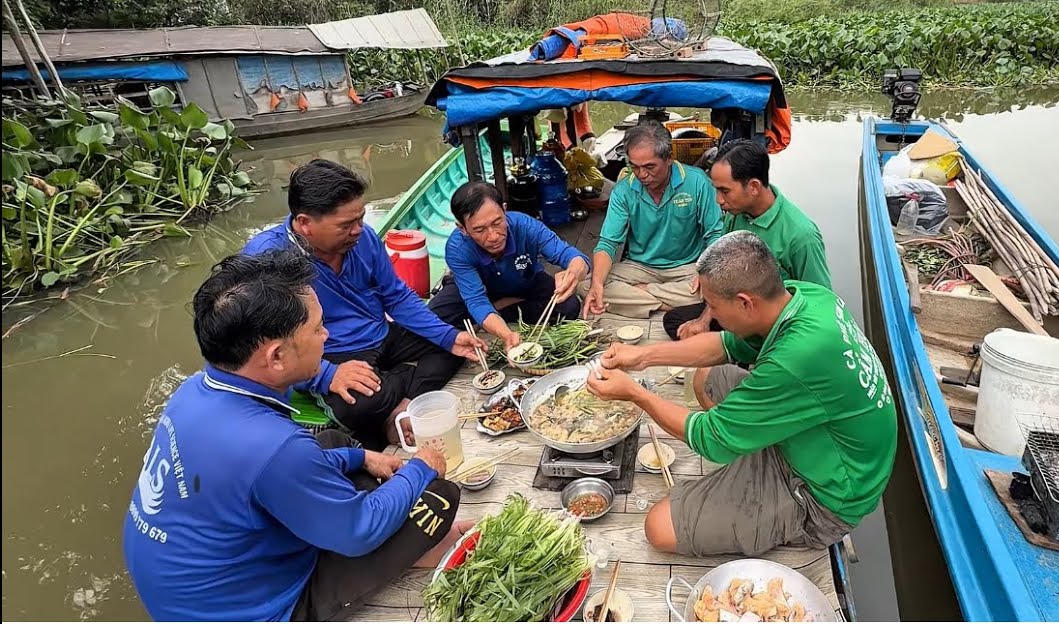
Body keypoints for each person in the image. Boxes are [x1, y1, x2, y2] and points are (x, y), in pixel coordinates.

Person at [123, 249, 471, 622]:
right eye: (317, 328)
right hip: (250, 609)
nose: (327, 335)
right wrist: (420, 467)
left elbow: (272, 466)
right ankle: (420, 550)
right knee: (436, 495)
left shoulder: (194, 390)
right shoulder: (273, 446)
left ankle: (380, 517)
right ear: (275, 356)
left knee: (335, 445)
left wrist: (363, 456)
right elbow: (359, 530)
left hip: (190, 585)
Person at [585, 231, 897, 557]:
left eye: (714, 306)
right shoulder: (806, 297)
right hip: (810, 438)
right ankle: (746, 451)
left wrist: (637, 394)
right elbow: (723, 346)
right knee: (710, 378)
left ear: (746, 302)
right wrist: (643, 357)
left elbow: (710, 438)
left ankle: (766, 492)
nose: (711, 315)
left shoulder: (794, 360)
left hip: (824, 495)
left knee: (659, 528)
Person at [244, 160, 486, 449]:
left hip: (379, 333)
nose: (359, 230)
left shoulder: (364, 238)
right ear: (305, 223)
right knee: (358, 407)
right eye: (346, 225)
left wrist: (447, 336)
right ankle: (396, 390)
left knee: (457, 344)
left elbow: (395, 296)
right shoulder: (265, 260)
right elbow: (266, 347)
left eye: (360, 218)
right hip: (325, 351)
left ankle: (398, 405)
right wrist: (327, 374)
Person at [664, 140, 831, 340]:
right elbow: (721, 273)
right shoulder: (736, 214)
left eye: (724, 191)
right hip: (736, 307)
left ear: (753, 187)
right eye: (716, 190)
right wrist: (704, 320)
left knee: (713, 347)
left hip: (774, 324)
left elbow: (822, 303)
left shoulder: (801, 236)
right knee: (675, 322)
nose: (718, 200)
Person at [582, 122, 723, 319]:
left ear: (669, 159)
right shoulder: (623, 190)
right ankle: (672, 304)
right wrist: (597, 285)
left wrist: (705, 271)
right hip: (639, 266)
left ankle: (642, 296)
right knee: (586, 285)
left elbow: (715, 235)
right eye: (635, 167)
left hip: (688, 266)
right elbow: (608, 243)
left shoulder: (697, 182)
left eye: (649, 166)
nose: (642, 175)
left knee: (719, 288)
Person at [428, 181, 591, 350]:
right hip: (480, 286)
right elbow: (476, 300)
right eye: (479, 230)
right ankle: (496, 312)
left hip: (525, 279)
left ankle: (498, 311)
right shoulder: (457, 248)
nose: (493, 236)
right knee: (435, 316)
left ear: (505, 210)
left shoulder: (526, 226)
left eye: (497, 222)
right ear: (462, 228)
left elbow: (573, 257)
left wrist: (573, 272)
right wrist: (506, 335)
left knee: (569, 306)